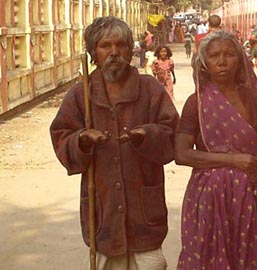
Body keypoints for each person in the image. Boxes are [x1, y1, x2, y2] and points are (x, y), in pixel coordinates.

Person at [50, 16, 179, 270]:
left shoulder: (149, 89)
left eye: (120, 45)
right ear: (93, 53)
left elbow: (172, 132)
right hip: (103, 208)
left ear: (131, 51)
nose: (113, 52)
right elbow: (61, 135)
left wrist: (147, 135)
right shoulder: (81, 94)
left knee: (151, 264)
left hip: (144, 209)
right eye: (105, 46)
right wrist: (82, 140)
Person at [175, 30, 257, 270]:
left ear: (239, 59)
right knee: (207, 255)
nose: (222, 61)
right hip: (209, 195)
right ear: (204, 63)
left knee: (249, 254)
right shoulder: (196, 103)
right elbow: (181, 154)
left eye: (229, 55)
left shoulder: (254, 99)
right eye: (214, 56)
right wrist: (232, 160)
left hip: (250, 193)